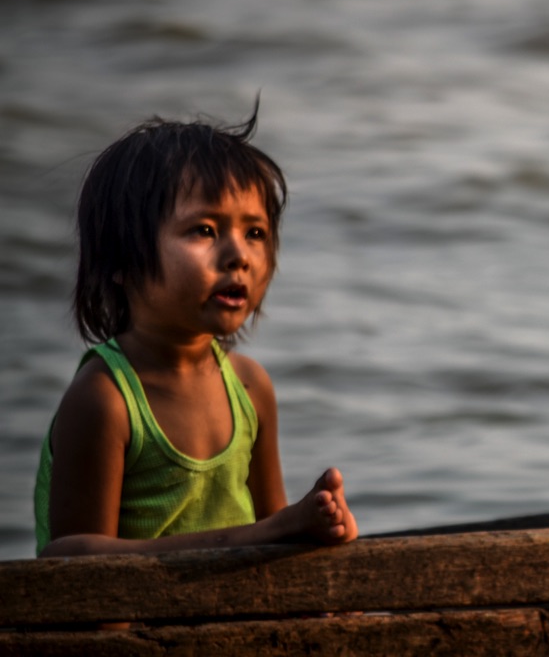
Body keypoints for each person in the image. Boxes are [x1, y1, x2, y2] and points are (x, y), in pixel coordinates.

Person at [34, 104, 357, 558]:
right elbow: (69, 559)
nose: (239, 256)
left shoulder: (249, 387)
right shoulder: (107, 399)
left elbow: (275, 536)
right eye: (205, 230)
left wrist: (319, 529)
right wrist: (263, 534)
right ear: (122, 263)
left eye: (256, 234)